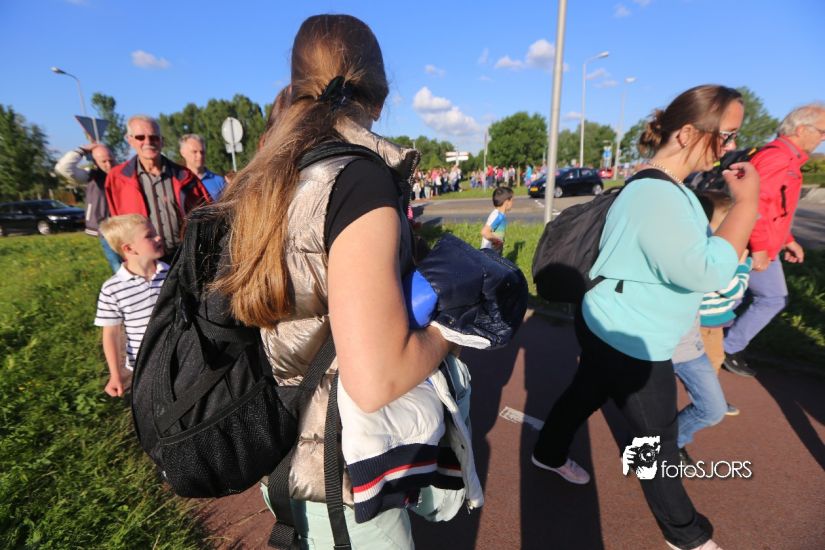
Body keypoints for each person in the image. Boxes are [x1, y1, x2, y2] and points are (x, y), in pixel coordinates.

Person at [209, 15, 469, 548]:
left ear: (296, 86)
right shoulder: (357, 180)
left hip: (280, 446)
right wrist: (453, 328)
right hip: (342, 470)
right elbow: (375, 381)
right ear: (380, 96)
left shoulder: (270, 174)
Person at [532, 85, 759, 550]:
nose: (732, 145)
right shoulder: (658, 195)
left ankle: (547, 452)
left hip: (613, 321)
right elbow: (707, 271)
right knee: (656, 443)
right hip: (630, 335)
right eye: (727, 134)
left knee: (586, 391)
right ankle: (686, 535)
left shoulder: (665, 187)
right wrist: (748, 204)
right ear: (688, 133)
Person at [722, 102, 825, 377]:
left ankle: (710, 343)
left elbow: (777, 209)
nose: (823, 138)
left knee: (736, 297)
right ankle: (726, 348)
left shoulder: (787, 159)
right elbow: (754, 206)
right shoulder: (777, 159)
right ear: (801, 129)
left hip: (762, 245)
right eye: (821, 131)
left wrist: (787, 239)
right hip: (754, 245)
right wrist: (759, 248)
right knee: (771, 298)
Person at [105, 115, 210, 263]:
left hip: (183, 257)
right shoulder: (117, 178)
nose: (148, 142)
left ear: (162, 141)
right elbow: (116, 225)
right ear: (130, 140)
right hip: (144, 261)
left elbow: (207, 212)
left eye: (154, 137)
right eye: (140, 137)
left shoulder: (184, 175)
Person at [94, 214, 167, 397]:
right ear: (128, 248)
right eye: (149, 236)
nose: (158, 238)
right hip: (145, 365)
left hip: (181, 355)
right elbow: (111, 334)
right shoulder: (113, 289)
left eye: (156, 233)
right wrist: (115, 374)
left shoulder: (171, 274)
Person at [55, 143, 120, 272]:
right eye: (104, 161)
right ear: (95, 162)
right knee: (117, 266)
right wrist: (82, 150)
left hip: (127, 226)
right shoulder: (90, 176)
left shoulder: (123, 174)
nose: (109, 164)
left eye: (111, 160)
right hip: (105, 229)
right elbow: (63, 168)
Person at [179, 134, 226, 201]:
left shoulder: (219, 182)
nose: (200, 156)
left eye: (202, 152)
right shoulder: (177, 182)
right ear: (183, 153)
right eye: (194, 152)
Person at [480, 186, 514, 255]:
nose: (513, 202)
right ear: (507, 202)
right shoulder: (498, 216)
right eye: (512, 200)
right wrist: (498, 241)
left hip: (493, 253)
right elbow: (485, 232)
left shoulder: (499, 215)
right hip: (489, 254)